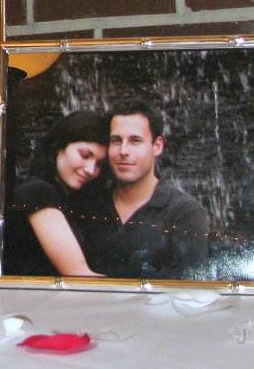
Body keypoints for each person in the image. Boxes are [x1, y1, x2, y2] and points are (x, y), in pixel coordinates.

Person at [79, 99, 210, 279]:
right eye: (116, 141)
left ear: (157, 146)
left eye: (135, 141)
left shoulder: (184, 213)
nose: (123, 151)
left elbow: (192, 287)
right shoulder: (87, 206)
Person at [2, 110, 109, 277]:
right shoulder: (38, 192)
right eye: (84, 155)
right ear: (59, 146)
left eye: (99, 164)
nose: (91, 170)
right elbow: (78, 275)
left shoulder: (64, 197)